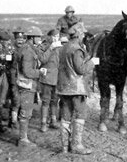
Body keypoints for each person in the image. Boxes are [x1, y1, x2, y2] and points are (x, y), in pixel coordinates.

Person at [57, 25, 97, 155]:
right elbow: (80, 70)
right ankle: (77, 145)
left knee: (65, 117)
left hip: (64, 87)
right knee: (80, 115)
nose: (84, 37)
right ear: (79, 35)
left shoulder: (63, 48)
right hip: (77, 88)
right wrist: (92, 62)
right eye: (83, 35)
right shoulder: (77, 49)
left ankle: (64, 147)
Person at [16, 26, 46, 147]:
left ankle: (23, 137)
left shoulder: (28, 48)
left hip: (26, 84)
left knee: (26, 111)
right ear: (32, 38)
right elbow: (27, 72)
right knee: (25, 112)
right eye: (38, 37)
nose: (40, 39)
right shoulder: (28, 51)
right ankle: (23, 140)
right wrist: (40, 72)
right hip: (26, 84)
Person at [36, 29, 62, 132]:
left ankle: (53, 120)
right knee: (45, 101)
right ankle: (43, 123)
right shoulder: (43, 47)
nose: (56, 38)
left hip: (57, 78)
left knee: (55, 100)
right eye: (54, 36)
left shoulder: (61, 47)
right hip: (46, 78)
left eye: (57, 36)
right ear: (49, 37)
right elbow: (42, 59)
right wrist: (50, 48)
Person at [9, 28, 26, 129]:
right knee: (15, 100)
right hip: (14, 77)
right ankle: (13, 121)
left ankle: (19, 118)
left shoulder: (25, 49)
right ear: (14, 39)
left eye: (22, 39)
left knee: (22, 100)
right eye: (18, 39)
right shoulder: (11, 49)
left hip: (24, 78)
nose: (20, 41)